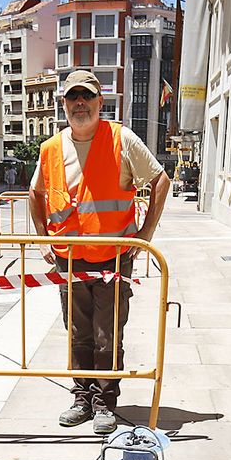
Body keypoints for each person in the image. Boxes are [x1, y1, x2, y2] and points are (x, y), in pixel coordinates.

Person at [29, 69, 170, 435]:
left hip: (112, 256)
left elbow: (160, 179)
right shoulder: (51, 149)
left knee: (107, 334)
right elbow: (37, 194)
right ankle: (81, 397)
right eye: (73, 97)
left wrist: (145, 234)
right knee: (77, 332)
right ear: (63, 104)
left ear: (99, 103)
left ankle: (104, 402)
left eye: (86, 97)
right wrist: (45, 238)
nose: (79, 103)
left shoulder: (121, 139)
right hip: (70, 257)